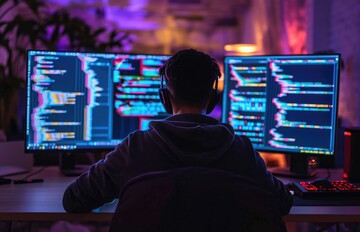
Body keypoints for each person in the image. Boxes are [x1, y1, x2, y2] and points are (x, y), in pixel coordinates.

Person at [62, 48, 293, 216]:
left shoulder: (136, 148)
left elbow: (73, 199)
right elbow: (282, 203)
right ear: (213, 99)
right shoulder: (241, 150)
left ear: (164, 98)